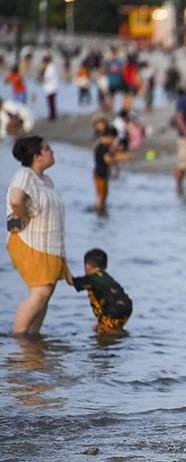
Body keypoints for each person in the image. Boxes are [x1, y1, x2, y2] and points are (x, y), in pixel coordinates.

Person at [6, 136, 68, 335]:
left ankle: (32, 342)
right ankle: (19, 339)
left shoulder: (46, 180)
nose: (52, 152)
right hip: (30, 242)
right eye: (47, 148)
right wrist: (24, 219)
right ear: (37, 156)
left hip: (48, 244)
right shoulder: (26, 174)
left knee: (45, 295)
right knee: (40, 293)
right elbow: (16, 200)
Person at [68, 248, 133, 333]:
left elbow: (71, 281)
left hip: (113, 311)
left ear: (88, 266)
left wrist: (63, 265)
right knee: (112, 329)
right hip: (127, 309)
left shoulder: (91, 279)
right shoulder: (106, 277)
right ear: (105, 265)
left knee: (104, 338)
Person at [92, 126, 133, 213]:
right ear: (109, 137)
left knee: (104, 194)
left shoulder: (103, 146)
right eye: (113, 138)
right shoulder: (102, 147)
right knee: (101, 195)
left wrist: (121, 155)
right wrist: (123, 158)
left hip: (101, 173)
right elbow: (108, 160)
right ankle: (99, 210)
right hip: (100, 174)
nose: (113, 141)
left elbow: (111, 156)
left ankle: (101, 209)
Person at [42, 56, 59, 121]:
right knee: (51, 103)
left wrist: (43, 79)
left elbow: (48, 77)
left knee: (51, 103)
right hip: (52, 87)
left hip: (51, 88)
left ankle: (52, 115)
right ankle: (52, 114)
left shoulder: (50, 68)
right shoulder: (52, 67)